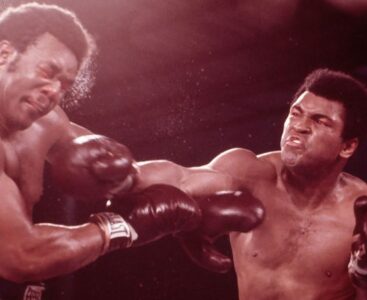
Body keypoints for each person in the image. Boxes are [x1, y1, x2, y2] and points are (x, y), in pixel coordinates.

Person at [0, 3, 265, 299]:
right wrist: (122, 226)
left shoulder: (47, 123)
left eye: (64, 85)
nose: (53, 92)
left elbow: (131, 176)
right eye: (47, 71)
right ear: (4, 54)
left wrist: (218, 196)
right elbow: (21, 257)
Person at [132, 68, 367, 299]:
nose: (299, 126)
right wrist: (125, 171)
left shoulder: (366, 213)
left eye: (320, 121)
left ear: (348, 146)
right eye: (295, 113)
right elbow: (180, 177)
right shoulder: (248, 175)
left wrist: (366, 278)